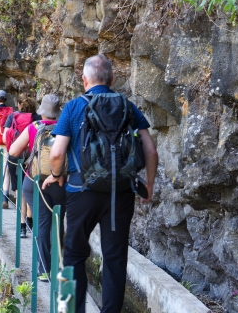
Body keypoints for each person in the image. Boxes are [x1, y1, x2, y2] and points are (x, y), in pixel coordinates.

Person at [42, 54, 158, 313]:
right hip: (121, 194)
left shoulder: (73, 107)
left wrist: (56, 174)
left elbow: (57, 153)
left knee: (72, 256)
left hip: (81, 192)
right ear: (112, 79)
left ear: (84, 80)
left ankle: (70, 309)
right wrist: (148, 184)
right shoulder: (128, 106)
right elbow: (150, 151)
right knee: (115, 259)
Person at [9, 94, 66, 281]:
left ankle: (43, 270)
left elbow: (13, 151)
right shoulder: (65, 128)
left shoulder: (33, 127)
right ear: (58, 112)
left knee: (42, 223)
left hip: (33, 181)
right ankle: (58, 265)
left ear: (42, 112)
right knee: (57, 223)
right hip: (59, 181)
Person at [4, 95, 39, 238]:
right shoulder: (37, 118)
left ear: (20, 106)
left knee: (20, 193)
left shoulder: (13, 117)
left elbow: (6, 134)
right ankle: (30, 221)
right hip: (31, 159)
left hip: (15, 157)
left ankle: (22, 227)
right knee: (31, 191)